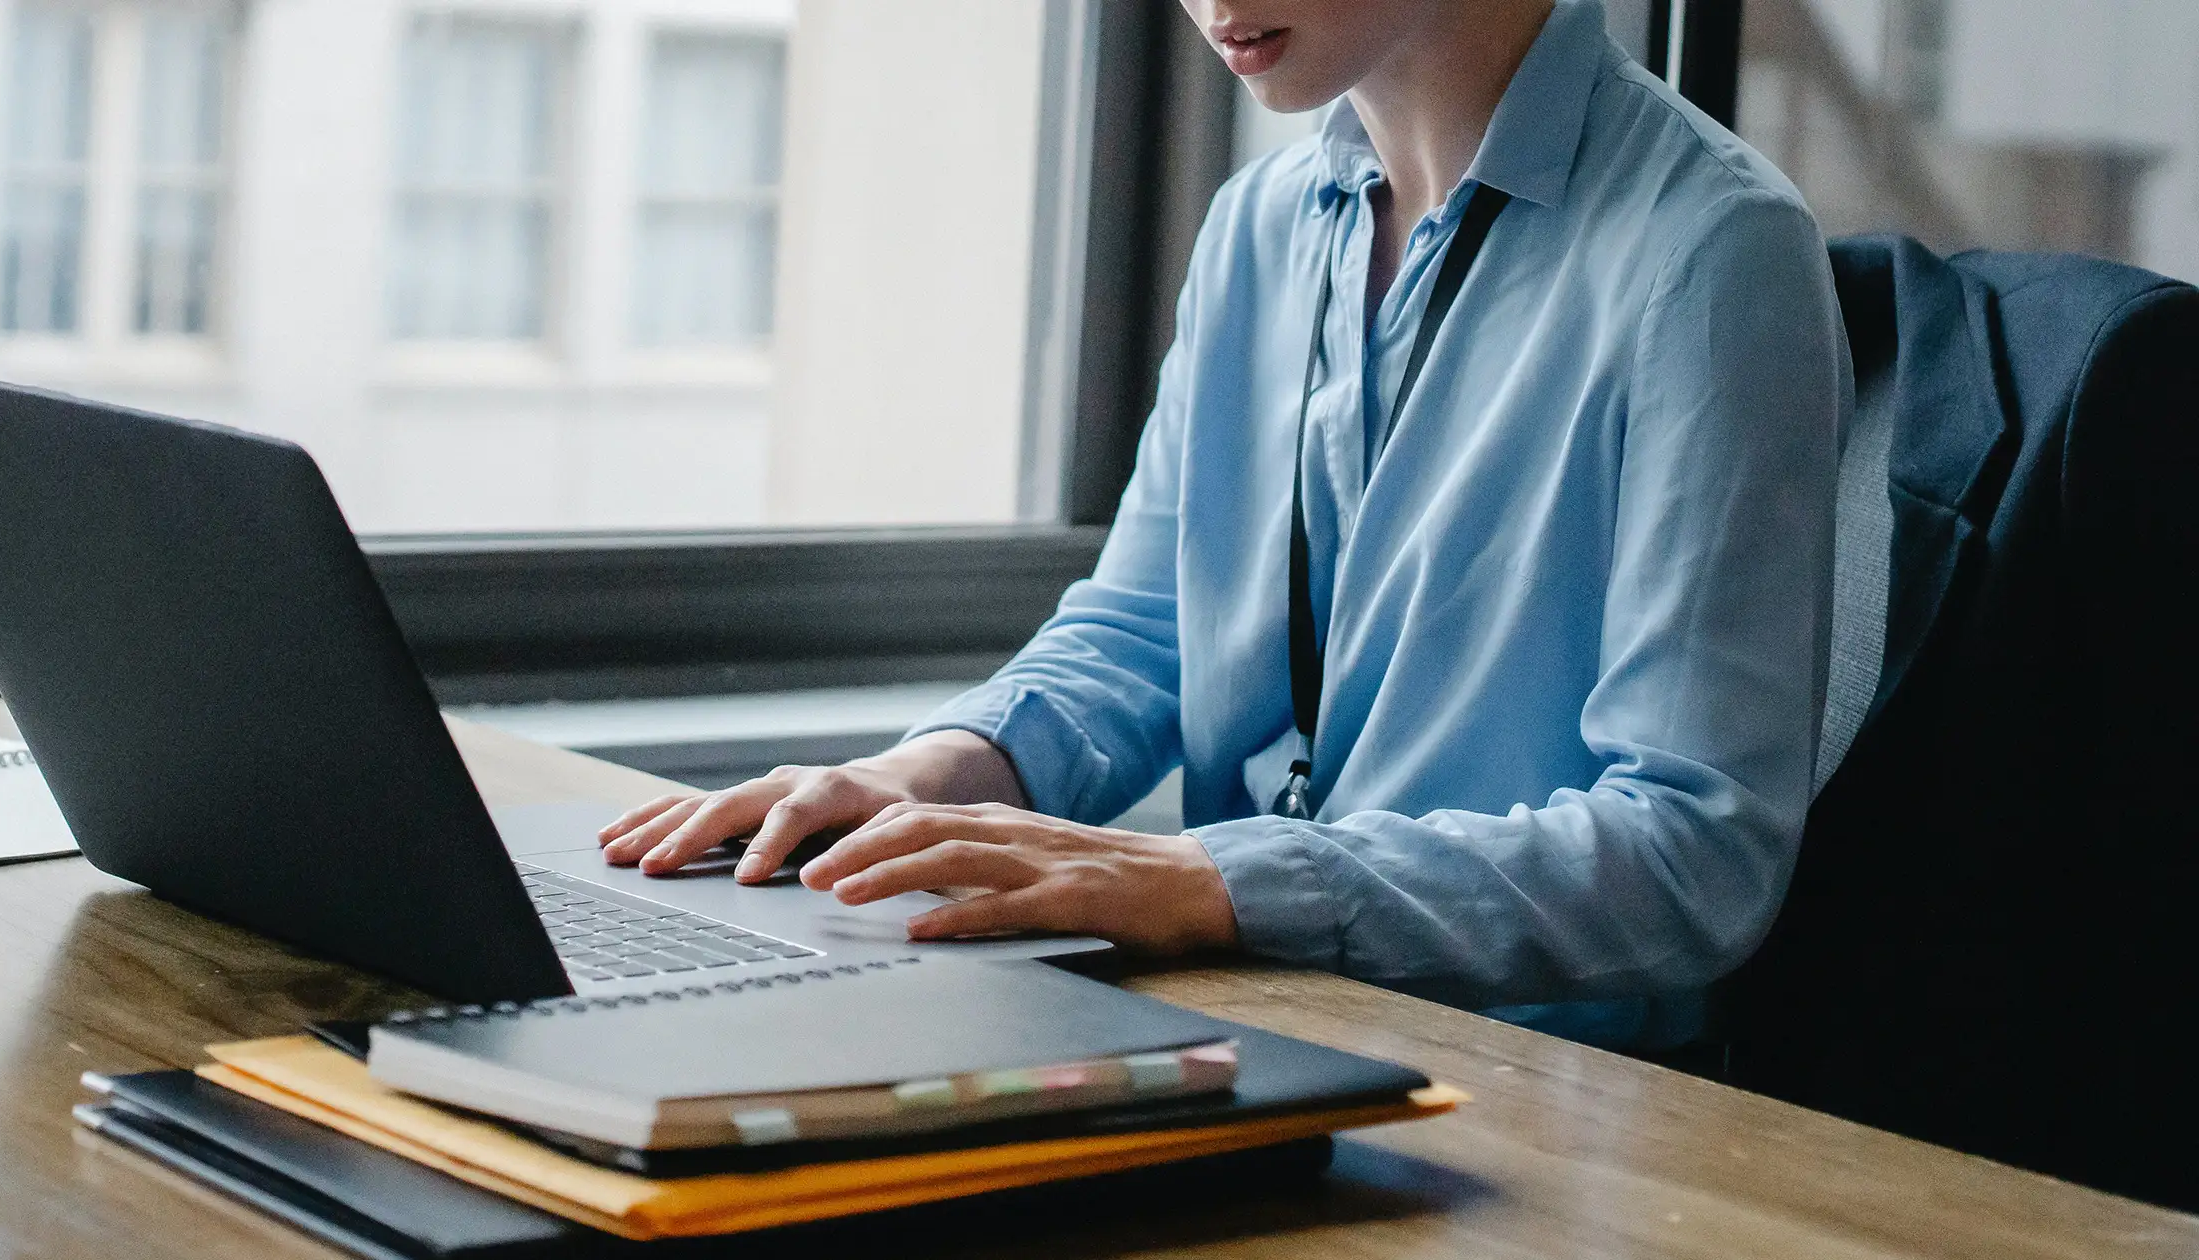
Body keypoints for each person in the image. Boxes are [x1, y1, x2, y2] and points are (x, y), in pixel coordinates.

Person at [598, 0, 1845, 1044]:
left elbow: (1694, 856)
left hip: (1539, 1098)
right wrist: (917, 781)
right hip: (1260, 1023)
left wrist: (1212, 881)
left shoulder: (1715, 251)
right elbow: (1152, 631)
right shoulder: (1260, 222)